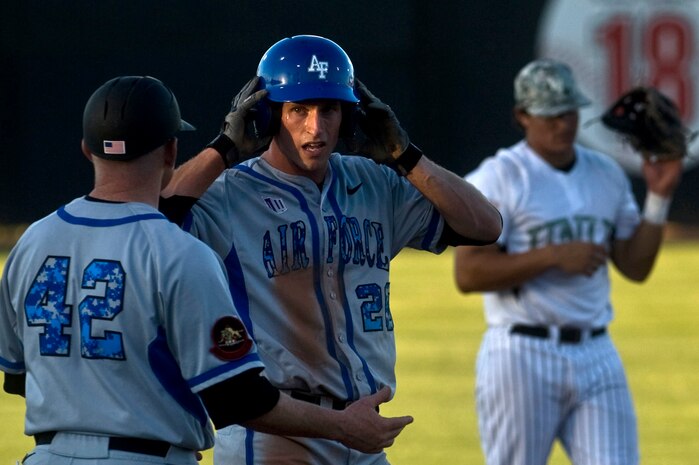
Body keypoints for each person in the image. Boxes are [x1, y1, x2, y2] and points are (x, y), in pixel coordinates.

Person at [0, 75, 414, 465]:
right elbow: (237, 397)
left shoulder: (30, 244)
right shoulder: (179, 252)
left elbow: (17, 379)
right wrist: (344, 427)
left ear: (87, 150)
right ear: (170, 151)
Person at [159, 34, 503, 464]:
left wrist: (406, 156)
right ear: (266, 115)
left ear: (351, 115)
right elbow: (152, 218)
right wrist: (224, 149)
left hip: (364, 432)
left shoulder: (376, 183)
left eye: (329, 109)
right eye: (298, 110)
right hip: (276, 431)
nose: (316, 128)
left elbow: (486, 226)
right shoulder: (230, 194)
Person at [453, 59, 684, 465]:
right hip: (521, 352)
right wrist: (554, 255)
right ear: (522, 115)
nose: (562, 124)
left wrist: (659, 197)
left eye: (569, 112)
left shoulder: (605, 173)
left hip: (597, 351)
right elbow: (468, 273)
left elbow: (636, 266)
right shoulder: (498, 177)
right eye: (550, 114)